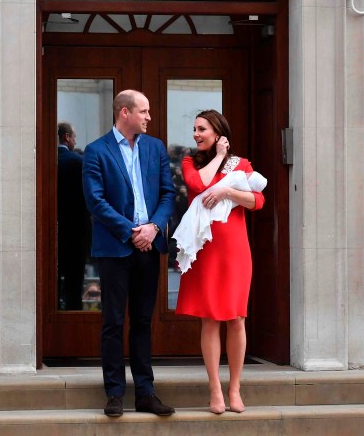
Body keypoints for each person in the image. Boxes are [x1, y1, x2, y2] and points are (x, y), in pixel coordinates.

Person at [82, 89, 176, 418]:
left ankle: (145, 393)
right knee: (113, 322)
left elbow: (167, 193)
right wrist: (130, 231)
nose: (149, 117)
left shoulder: (155, 148)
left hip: (149, 247)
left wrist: (153, 227)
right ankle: (115, 393)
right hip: (115, 248)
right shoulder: (96, 151)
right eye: (144, 111)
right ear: (125, 113)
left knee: (143, 322)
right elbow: (95, 201)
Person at [174, 110, 265, 415]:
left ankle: (235, 388)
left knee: (237, 318)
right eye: (195, 129)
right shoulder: (191, 161)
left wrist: (228, 190)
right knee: (210, 318)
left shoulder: (241, 165)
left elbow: (258, 201)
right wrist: (220, 156)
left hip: (235, 250)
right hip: (205, 250)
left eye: (202, 129)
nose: (196, 134)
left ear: (217, 131)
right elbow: (198, 185)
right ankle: (215, 389)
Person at [57, 122, 91, 310]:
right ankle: (73, 315)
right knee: (74, 281)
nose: (75, 141)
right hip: (76, 230)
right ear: (67, 137)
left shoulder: (46, 160)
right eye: (74, 137)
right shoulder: (78, 161)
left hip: (51, 229)